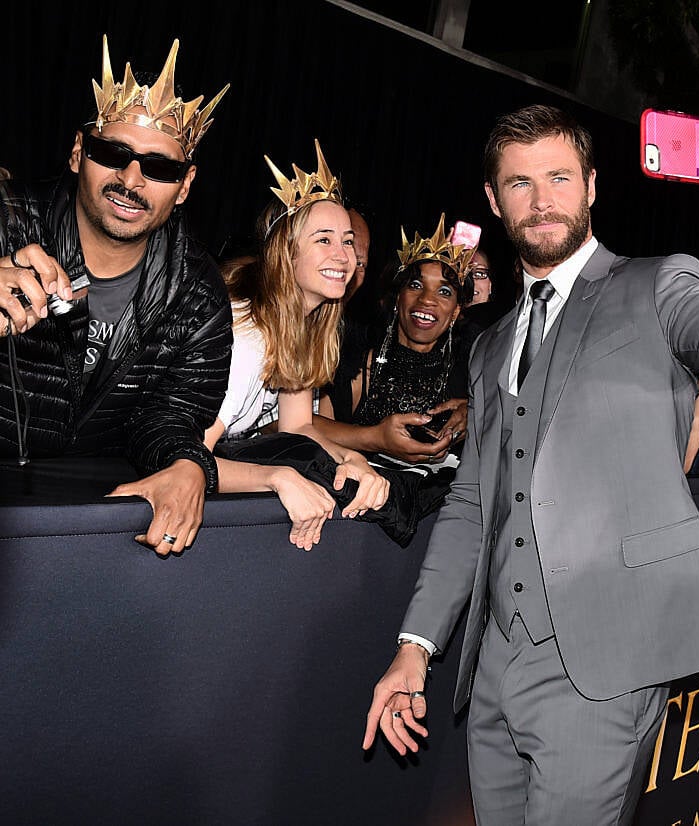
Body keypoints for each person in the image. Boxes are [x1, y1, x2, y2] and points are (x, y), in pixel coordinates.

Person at [362, 103, 699, 824]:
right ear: (493, 199)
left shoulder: (660, 286)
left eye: (559, 178)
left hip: (603, 669)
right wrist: (416, 645)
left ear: (594, 185)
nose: (542, 201)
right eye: (519, 184)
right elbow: (474, 504)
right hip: (493, 669)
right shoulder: (489, 345)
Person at [0, 35, 232, 557]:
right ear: (80, 152)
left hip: (97, 516)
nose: (131, 180)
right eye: (113, 153)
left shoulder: (198, 293)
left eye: (161, 168)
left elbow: (172, 416)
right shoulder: (6, 223)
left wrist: (187, 463)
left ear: (186, 184)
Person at [203, 140, 389, 550]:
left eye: (347, 241)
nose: (344, 256)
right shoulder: (247, 336)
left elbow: (298, 426)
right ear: (286, 253)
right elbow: (187, 461)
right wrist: (277, 477)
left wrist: (350, 458)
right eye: (324, 240)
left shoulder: (300, 326)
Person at [316, 214, 474, 469]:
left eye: (444, 291)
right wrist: (376, 438)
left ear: (456, 311)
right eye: (415, 285)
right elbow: (301, 426)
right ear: (397, 298)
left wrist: (475, 411)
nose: (427, 300)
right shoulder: (355, 360)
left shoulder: (472, 372)